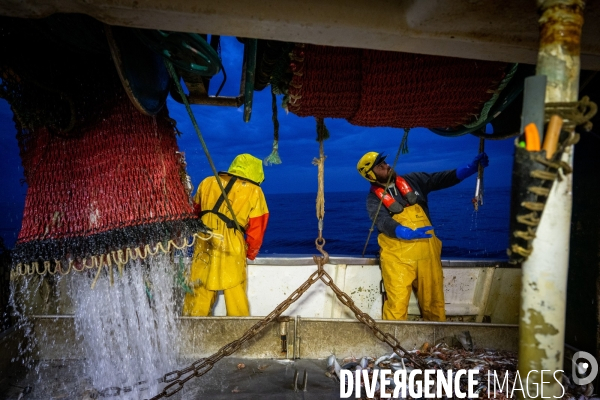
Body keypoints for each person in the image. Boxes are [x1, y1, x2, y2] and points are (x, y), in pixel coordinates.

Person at [356, 151, 489, 321]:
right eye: (380, 166)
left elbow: (440, 179)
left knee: (434, 304)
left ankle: (436, 344)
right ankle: (391, 344)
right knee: (396, 306)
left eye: (385, 163)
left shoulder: (413, 180)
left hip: (427, 254)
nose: (387, 166)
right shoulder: (373, 200)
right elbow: (381, 220)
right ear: (370, 175)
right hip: (397, 258)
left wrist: (470, 169)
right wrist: (402, 231)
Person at [183, 154, 269, 317]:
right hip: (231, 243)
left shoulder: (207, 182)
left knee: (200, 285)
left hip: (204, 239)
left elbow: (194, 212)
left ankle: (192, 327)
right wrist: (251, 252)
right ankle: (240, 332)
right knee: (234, 288)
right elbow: (257, 227)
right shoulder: (255, 191)